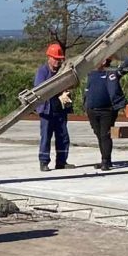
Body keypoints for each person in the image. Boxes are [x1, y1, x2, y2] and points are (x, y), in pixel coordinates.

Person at [84, 45, 128, 171]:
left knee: (105, 135)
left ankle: (105, 161)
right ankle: (105, 158)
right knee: (99, 135)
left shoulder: (111, 73)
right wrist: (85, 105)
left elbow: (124, 69)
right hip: (92, 110)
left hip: (107, 111)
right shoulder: (91, 74)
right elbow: (87, 91)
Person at [35, 43, 75, 172]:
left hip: (60, 110)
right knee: (46, 137)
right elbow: (40, 90)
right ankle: (44, 162)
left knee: (63, 137)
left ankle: (62, 162)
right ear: (49, 58)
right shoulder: (42, 72)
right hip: (47, 110)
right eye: (56, 59)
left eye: (60, 59)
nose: (58, 62)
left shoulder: (61, 72)